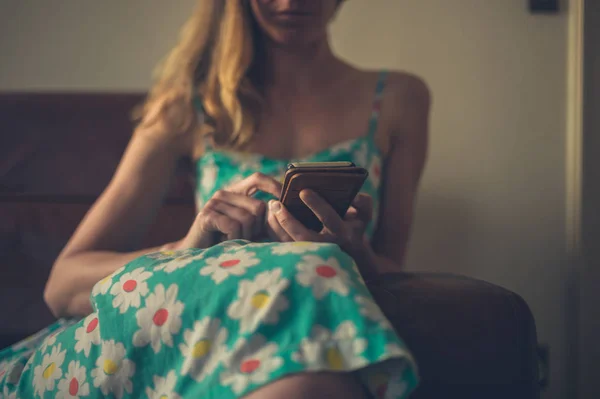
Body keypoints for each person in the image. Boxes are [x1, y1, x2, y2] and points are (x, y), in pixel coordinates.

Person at [0, 0, 430, 398]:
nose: (289, 1)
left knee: (315, 285)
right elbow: (63, 284)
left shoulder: (399, 99)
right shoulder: (187, 105)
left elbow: (397, 271)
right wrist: (188, 250)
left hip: (308, 317)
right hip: (196, 320)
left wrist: (359, 256)